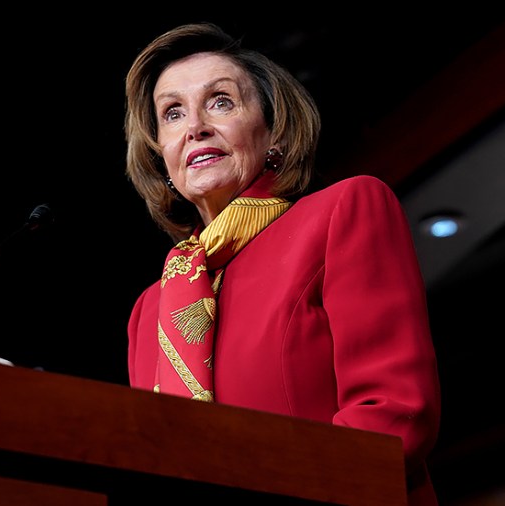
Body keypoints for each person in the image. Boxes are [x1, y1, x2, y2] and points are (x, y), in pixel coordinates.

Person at [123, 22, 441, 506]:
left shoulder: (343, 211)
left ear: (273, 129)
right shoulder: (150, 310)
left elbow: (391, 415)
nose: (196, 127)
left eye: (221, 101)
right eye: (172, 113)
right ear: (161, 156)